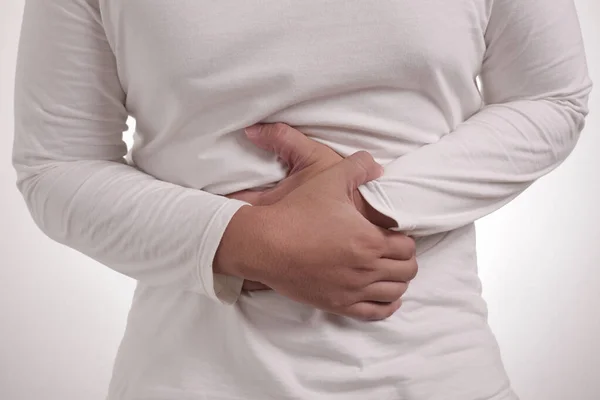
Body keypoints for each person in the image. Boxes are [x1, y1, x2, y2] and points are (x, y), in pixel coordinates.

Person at [12, 0, 592, 399]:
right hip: (190, 380)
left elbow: (551, 97)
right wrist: (249, 240)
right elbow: (56, 165)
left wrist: (365, 208)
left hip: (436, 375)